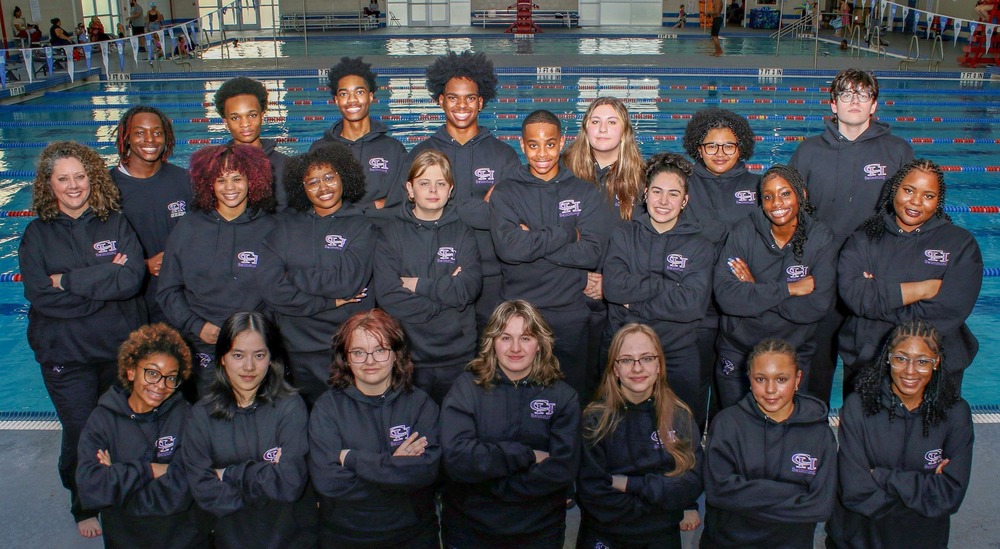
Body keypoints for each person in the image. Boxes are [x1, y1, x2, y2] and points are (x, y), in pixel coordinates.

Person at [19, 141, 145, 538]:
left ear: (92, 179)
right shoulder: (36, 234)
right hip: (65, 353)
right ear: (49, 185)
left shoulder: (115, 223)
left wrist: (68, 281)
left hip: (115, 349)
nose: (73, 186)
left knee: (120, 426)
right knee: (80, 430)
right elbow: (40, 295)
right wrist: (105, 278)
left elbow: (131, 281)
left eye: (80, 176)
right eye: (63, 179)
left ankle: (117, 487)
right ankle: (84, 503)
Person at [789, 68, 913, 405]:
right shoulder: (809, 151)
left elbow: (909, 215)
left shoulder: (897, 151)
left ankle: (859, 433)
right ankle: (813, 428)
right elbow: (792, 215)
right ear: (833, 104)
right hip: (822, 276)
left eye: (863, 94)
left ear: (874, 105)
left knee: (868, 369)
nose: (854, 100)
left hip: (872, 278)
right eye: (846, 94)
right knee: (815, 367)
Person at [384, 51, 521, 332]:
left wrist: (445, 207)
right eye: (453, 97)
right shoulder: (421, 153)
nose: (461, 105)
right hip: (433, 275)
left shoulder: (503, 155)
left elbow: (513, 221)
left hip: (493, 277)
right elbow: (400, 213)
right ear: (440, 100)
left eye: (470, 98)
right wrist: (482, 209)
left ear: (480, 102)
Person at [490, 110, 611, 400]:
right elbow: (509, 250)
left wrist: (531, 240)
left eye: (550, 144)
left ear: (562, 142)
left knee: (571, 400)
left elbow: (591, 253)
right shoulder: (506, 192)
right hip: (519, 316)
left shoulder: (585, 192)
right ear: (522, 145)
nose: (542, 153)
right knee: (518, 402)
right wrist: (567, 233)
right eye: (533, 145)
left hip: (569, 316)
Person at [441, 300, 581, 547]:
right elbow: (457, 460)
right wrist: (528, 455)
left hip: (538, 530)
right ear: (492, 342)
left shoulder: (563, 397)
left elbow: (562, 470)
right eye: (506, 338)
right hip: (471, 528)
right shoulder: (466, 389)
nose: (515, 348)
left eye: (526, 338)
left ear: (540, 344)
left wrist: (486, 478)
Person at [838, 159, 982, 395]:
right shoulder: (865, 238)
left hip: (935, 364)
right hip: (867, 357)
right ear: (894, 190)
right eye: (909, 190)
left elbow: (950, 309)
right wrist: (923, 289)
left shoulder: (959, 243)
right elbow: (855, 296)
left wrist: (878, 299)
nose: (916, 201)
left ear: (938, 201)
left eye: (928, 196)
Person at [826, 320, 973, 548]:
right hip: (858, 537)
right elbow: (854, 491)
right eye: (901, 358)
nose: (910, 370)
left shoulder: (955, 413)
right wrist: (926, 492)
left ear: (936, 362)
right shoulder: (859, 406)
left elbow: (950, 496)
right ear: (888, 358)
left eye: (922, 361)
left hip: (922, 540)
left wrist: (881, 476)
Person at [309, 309, 441, 548]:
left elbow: (426, 472)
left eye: (380, 350)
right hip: (346, 536)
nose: (370, 361)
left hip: (412, 535)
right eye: (358, 352)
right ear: (346, 358)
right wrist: (396, 468)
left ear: (396, 354)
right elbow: (328, 482)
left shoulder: (421, 404)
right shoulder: (327, 409)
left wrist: (353, 460)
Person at [179, 312, 310, 548]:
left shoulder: (291, 407)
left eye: (259, 355)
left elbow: (290, 485)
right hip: (229, 538)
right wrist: (269, 476)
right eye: (238, 355)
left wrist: (226, 474)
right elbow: (202, 491)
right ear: (222, 358)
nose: (249, 366)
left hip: (290, 539)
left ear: (271, 359)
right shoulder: (201, 415)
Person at [258, 144, 376, 406]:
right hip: (297, 346)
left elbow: (346, 283)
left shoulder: (362, 226)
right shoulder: (285, 227)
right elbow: (269, 286)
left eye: (329, 177)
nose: (323, 187)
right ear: (302, 188)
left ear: (343, 177)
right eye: (312, 182)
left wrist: (292, 275)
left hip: (346, 345)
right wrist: (329, 302)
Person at [157, 145, 277, 398]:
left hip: (254, 345)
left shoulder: (271, 229)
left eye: (237, 178)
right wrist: (197, 326)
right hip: (202, 342)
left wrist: (253, 331)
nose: (229, 187)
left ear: (252, 180)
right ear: (208, 184)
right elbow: (168, 290)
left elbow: (279, 293)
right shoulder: (188, 227)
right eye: (220, 180)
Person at [602, 152, 713, 426]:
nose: (663, 201)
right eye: (657, 192)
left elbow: (692, 304)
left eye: (673, 194)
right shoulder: (624, 235)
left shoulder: (699, 245)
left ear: (684, 200)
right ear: (645, 194)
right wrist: (668, 286)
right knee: (621, 430)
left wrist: (636, 301)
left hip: (676, 353)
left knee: (683, 432)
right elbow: (614, 288)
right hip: (627, 353)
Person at [76, 323, 209, 548]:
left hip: (182, 536)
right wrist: (152, 470)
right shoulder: (103, 419)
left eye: (171, 378)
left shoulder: (186, 417)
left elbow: (189, 485)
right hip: (125, 537)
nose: (160, 385)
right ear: (131, 371)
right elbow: (92, 486)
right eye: (152, 373)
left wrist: (119, 479)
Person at [713, 165, 835, 408]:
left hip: (794, 350)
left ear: (801, 194)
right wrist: (789, 289)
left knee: (787, 427)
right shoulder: (743, 232)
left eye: (785, 193)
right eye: (768, 196)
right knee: (736, 424)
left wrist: (755, 289)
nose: (777, 203)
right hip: (740, 348)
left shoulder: (819, 237)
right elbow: (726, 297)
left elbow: (818, 305)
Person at [576, 323, 703, 548]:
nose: (637, 368)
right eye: (626, 360)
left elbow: (692, 483)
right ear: (615, 369)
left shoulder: (680, 416)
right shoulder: (594, 420)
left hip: (661, 535)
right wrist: (661, 498)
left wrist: (628, 484)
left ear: (659, 365)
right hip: (606, 534)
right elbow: (592, 493)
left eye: (646, 358)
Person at [702, 338, 837, 546]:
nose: (770, 389)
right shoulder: (726, 424)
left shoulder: (820, 434)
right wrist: (796, 493)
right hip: (728, 542)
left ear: (798, 379)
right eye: (760, 379)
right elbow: (717, 493)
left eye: (781, 379)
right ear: (749, 378)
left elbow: (821, 507)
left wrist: (745, 496)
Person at [374, 150, 482, 404]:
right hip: (409, 355)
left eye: (440, 183)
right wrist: (446, 297)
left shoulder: (463, 232)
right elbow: (388, 296)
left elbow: (469, 288)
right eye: (424, 183)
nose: (433, 190)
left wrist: (417, 284)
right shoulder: (391, 234)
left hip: (457, 353)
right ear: (410, 189)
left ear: (450, 189)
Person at [562, 96, 645, 400]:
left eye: (612, 122)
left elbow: (647, 245)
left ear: (625, 131)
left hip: (619, 297)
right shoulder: (562, 170)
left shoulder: (641, 178)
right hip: (571, 289)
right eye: (595, 121)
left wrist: (612, 284)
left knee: (614, 386)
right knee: (571, 382)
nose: (602, 129)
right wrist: (578, 278)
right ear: (585, 128)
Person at [681, 106, 759, 417]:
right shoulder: (683, 184)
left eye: (729, 145)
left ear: (741, 148)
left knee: (732, 388)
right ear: (698, 148)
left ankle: (724, 442)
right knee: (693, 384)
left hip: (738, 305)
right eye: (711, 145)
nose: (720, 153)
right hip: (697, 306)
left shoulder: (758, 187)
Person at [111, 106, 189, 326]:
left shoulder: (184, 180)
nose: (150, 139)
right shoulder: (108, 187)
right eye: (139, 132)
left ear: (166, 137)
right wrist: (142, 265)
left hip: (179, 298)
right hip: (132, 302)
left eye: (157, 132)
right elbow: (96, 250)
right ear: (126, 138)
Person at [309, 56, 407, 215]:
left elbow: (402, 199)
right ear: (336, 100)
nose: (352, 100)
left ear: (370, 96)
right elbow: (314, 199)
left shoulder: (393, 149)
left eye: (359, 92)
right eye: (344, 94)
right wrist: (375, 205)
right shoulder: (320, 149)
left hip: (381, 227)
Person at [214, 76, 290, 211]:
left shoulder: (286, 166)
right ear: (226, 123)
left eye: (252, 115)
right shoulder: (215, 166)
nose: (245, 124)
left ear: (262, 116)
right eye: (235, 118)